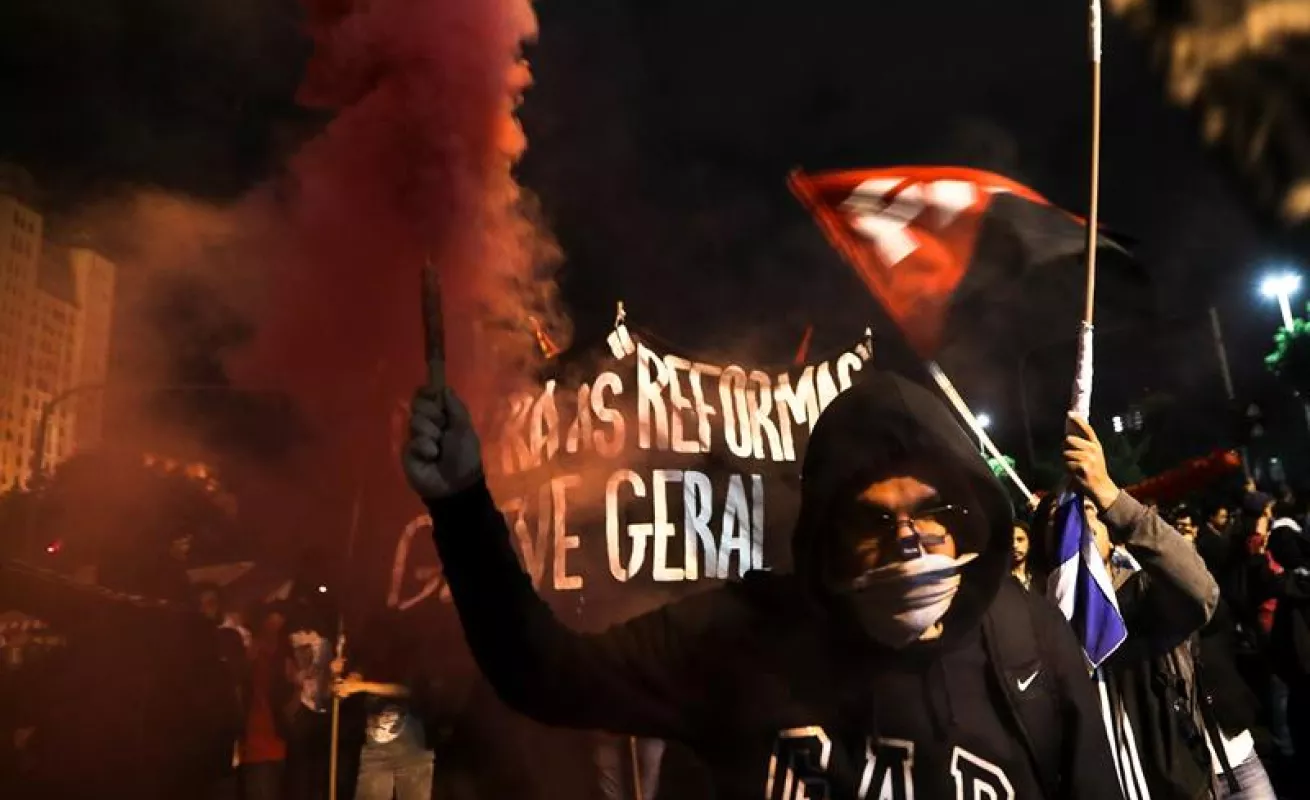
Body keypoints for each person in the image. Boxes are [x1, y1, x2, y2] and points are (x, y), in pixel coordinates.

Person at [403, 371, 1123, 799]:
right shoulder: (741, 637)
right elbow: (541, 673)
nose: (907, 542)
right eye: (872, 519)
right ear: (826, 534)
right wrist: (462, 502)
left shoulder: (1028, 642)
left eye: (935, 513)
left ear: (974, 523)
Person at [1055, 416, 1228, 799]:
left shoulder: (1140, 594)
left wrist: (1108, 494)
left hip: (1177, 787)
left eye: (1088, 517)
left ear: (1109, 534)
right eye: (1061, 524)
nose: (1076, 532)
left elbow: (1201, 593)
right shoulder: (1039, 621)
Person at [1010, 521, 1037, 591]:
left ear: (1029, 544)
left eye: (1020, 539)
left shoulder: (1040, 580)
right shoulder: (999, 581)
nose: (1014, 545)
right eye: (1010, 541)